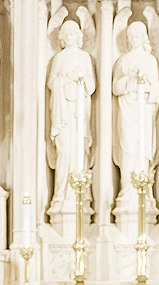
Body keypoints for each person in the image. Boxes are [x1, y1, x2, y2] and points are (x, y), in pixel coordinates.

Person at [112, 21, 159, 210]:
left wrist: (144, 83)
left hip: (144, 112)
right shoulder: (123, 61)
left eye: (138, 36)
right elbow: (115, 87)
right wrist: (128, 80)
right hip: (126, 111)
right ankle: (127, 192)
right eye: (131, 37)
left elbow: (157, 92)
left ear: (144, 38)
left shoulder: (150, 61)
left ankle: (143, 194)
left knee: (143, 149)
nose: (134, 40)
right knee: (128, 149)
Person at [47, 19, 95, 208]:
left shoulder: (84, 57)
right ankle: (61, 193)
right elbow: (51, 81)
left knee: (78, 150)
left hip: (79, 113)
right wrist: (63, 80)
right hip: (62, 114)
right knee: (64, 150)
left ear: (78, 36)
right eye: (65, 34)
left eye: (72, 33)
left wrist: (79, 79)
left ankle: (79, 195)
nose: (69, 37)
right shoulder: (58, 58)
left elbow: (91, 86)